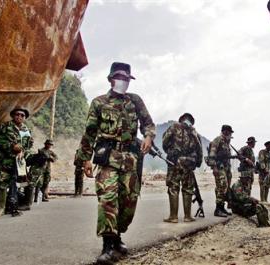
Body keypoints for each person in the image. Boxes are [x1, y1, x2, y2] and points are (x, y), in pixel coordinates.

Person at [76, 62, 155, 264]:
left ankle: (118, 236)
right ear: (111, 79)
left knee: (128, 202)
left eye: (126, 79)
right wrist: (84, 159)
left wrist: (148, 137)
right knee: (108, 200)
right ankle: (108, 246)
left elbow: (148, 123)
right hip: (108, 158)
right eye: (119, 78)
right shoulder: (99, 102)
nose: (123, 82)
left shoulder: (135, 101)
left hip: (130, 160)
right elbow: (89, 133)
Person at [0, 107, 33, 217]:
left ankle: (13, 206)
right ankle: (1, 208)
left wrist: (24, 152)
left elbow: (29, 145)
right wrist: (11, 146)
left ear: (24, 118)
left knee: (18, 184)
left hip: (19, 163)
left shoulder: (26, 130)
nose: (19, 117)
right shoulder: (4, 126)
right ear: (13, 115)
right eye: (17, 114)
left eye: (22, 115)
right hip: (6, 160)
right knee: (2, 182)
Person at [162, 113, 203, 223]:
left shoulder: (174, 127)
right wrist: (197, 163)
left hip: (174, 162)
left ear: (181, 119)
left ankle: (173, 217)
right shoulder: (194, 132)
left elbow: (164, 142)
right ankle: (187, 216)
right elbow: (200, 150)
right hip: (189, 164)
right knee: (187, 189)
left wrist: (169, 152)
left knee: (173, 187)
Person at [206, 125, 234, 217]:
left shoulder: (226, 143)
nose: (230, 134)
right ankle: (218, 209)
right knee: (222, 186)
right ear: (225, 132)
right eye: (229, 132)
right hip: (219, 167)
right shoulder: (217, 140)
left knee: (225, 188)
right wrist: (214, 168)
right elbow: (212, 154)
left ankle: (222, 208)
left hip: (226, 168)